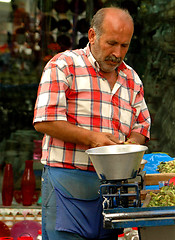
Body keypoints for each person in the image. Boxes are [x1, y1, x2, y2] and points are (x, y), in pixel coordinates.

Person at [33, 7, 151, 240]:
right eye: (112, 43)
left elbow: (142, 124)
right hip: (67, 182)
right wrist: (94, 139)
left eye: (124, 46)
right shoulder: (64, 65)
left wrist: (130, 145)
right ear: (92, 35)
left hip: (112, 190)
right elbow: (45, 120)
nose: (117, 53)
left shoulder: (131, 78)